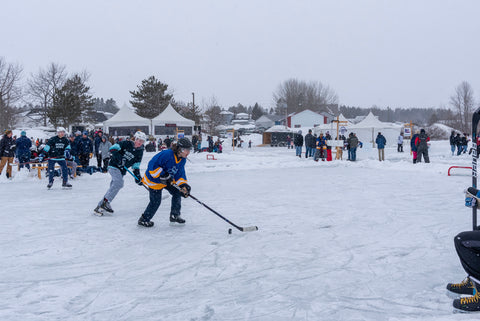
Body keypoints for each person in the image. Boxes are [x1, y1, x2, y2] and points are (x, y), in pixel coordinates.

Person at [137, 138, 193, 227]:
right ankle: (144, 219)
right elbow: (152, 164)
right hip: (154, 179)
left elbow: (179, 173)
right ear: (180, 149)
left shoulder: (182, 159)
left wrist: (183, 185)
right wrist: (162, 174)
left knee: (177, 192)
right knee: (156, 201)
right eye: (186, 150)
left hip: (168, 179)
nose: (188, 152)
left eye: (189, 150)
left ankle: (175, 215)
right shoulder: (167, 154)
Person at [94, 131, 146, 215]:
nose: (140, 142)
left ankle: (100, 205)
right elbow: (113, 149)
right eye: (139, 140)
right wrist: (119, 159)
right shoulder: (126, 143)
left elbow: (136, 165)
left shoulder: (140, 151)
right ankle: (106, 202)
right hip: (114, 166)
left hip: (122, 170)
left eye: (142, 141)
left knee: (113, 187)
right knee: (119, 183)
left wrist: (138, 177)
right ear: (135, 139)